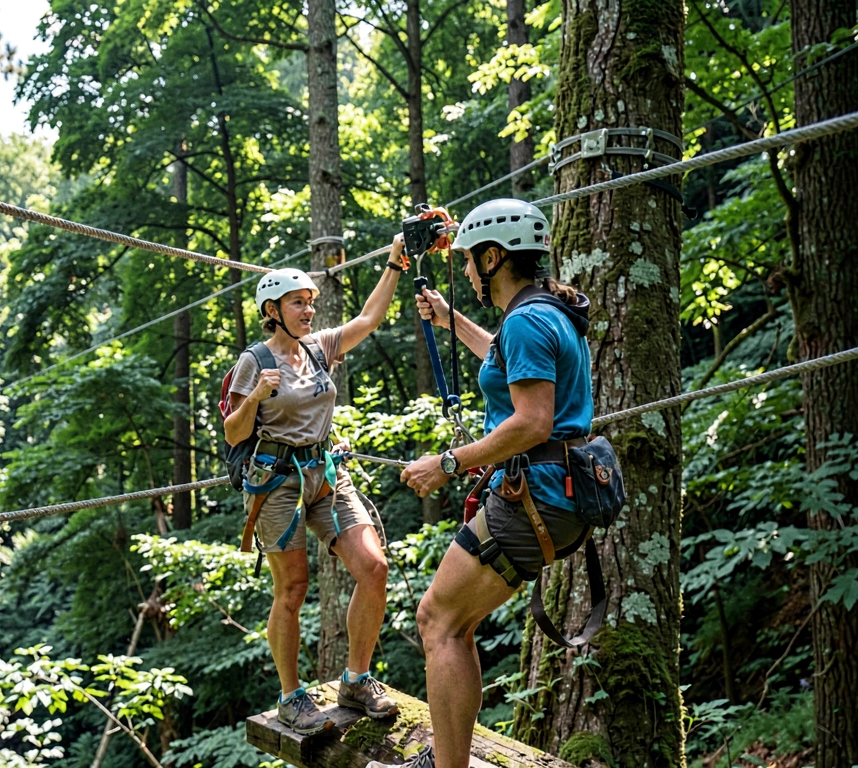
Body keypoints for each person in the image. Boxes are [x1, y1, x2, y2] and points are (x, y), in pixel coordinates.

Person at [382, 199, 593, 768]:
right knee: (458, 623)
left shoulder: (526, 320)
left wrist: (446, 463)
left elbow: (532, 422)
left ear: (494, 257)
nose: (468, 270)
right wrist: (452, 319)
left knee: (436, 620)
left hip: (536, 493)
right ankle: (451, 756)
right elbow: (504, 362)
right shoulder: (545, 313)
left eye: (472, 261)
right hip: (560, 494)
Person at [222, 238, 411, 734]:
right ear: (272, 310)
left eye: (311, 303)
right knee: (293, 588)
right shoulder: (255, 359)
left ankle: (355, 679)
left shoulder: (320, 348)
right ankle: (290, 698)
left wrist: (394, 262)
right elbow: (233, 432)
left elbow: (368, 320)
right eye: (298, 303)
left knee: (373, 567)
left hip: (325, 473)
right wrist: (258, 395)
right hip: (275, 480)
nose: (308, 310)